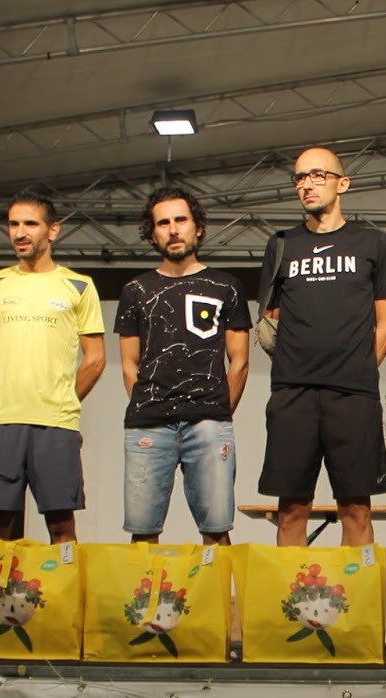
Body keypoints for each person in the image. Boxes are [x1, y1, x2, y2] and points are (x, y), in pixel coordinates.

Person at [256, 146, 386, 546]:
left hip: (353, 395)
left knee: (356, 509)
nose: (308, 184)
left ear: (343, 184)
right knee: (291, 510)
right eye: (300, 177)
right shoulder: (281, 244)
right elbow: (271, 319)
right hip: (292, 393)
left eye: (318, 175)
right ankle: (291, 590)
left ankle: (357, 590)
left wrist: (359, 368)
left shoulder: (371, 242)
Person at [0, 188, 106, 544]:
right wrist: (8, 388)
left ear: (52, 230)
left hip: (55, 425)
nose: (20, 232)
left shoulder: (79, 286)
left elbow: (95, 359)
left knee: (61, 527)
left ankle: (65, 585)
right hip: (1, 420)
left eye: (30, 224)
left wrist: (63, 398)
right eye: (13, 224)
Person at [116, 186, 249, 545]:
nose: (173, 229)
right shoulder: (135, 290)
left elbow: (239, 361)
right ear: (152, 233)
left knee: (216, 533)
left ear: (198, 227)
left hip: (209, 425)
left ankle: (215, 589)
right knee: (143, 535)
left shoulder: (226, 286)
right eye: (163, 223)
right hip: (148, 426)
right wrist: (148, 404)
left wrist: (218, 413)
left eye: (181, 220)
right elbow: (128, 363)